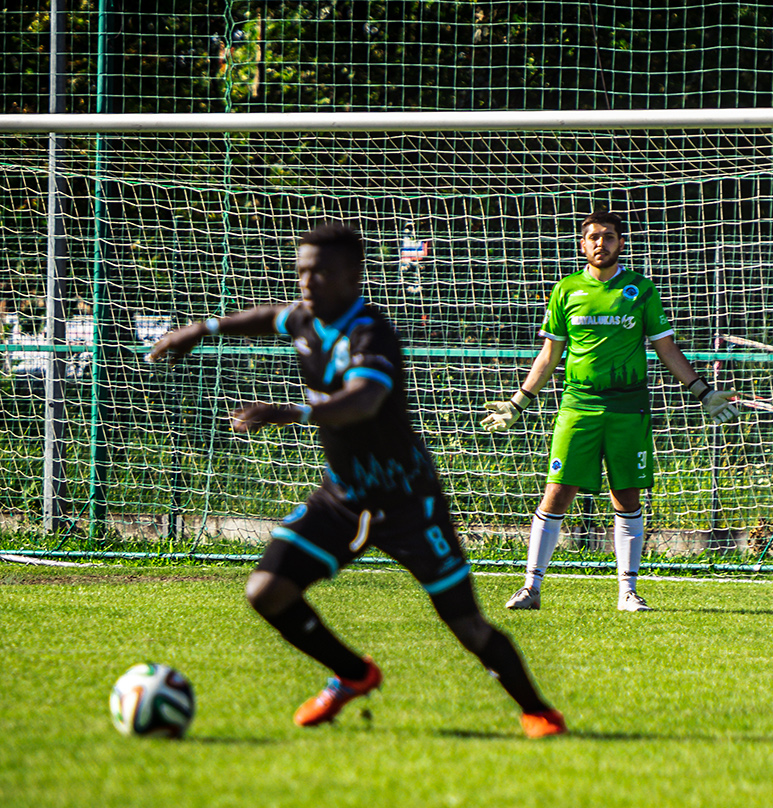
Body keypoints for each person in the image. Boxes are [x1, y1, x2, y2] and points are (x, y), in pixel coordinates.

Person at [148, 222, 566, 737]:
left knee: (467, 625)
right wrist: (198, 331)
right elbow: (267, 318)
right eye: (302, 270)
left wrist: (293, 412)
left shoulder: (371, 330)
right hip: (343, 497)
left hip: (409, 501)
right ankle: (352, 673)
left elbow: (365, 399)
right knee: (266, 591)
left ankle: (538, 711)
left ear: (353, 276)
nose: (307, 280)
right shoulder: (304, 319)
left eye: (321, 271)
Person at [482, 211, 738, 612]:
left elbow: (666, 348)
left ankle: (627, 593)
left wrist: (703, 391)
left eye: (609, 237)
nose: (601, 243)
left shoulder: (640, 290)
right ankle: (531, 588)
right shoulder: (566, 290)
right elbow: (549, 356)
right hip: (578, 407)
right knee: (557, 492)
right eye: (593, 238)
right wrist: (519, 402)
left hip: (628, 407)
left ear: (621, 243)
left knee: (627, 496)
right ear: (582, 245)